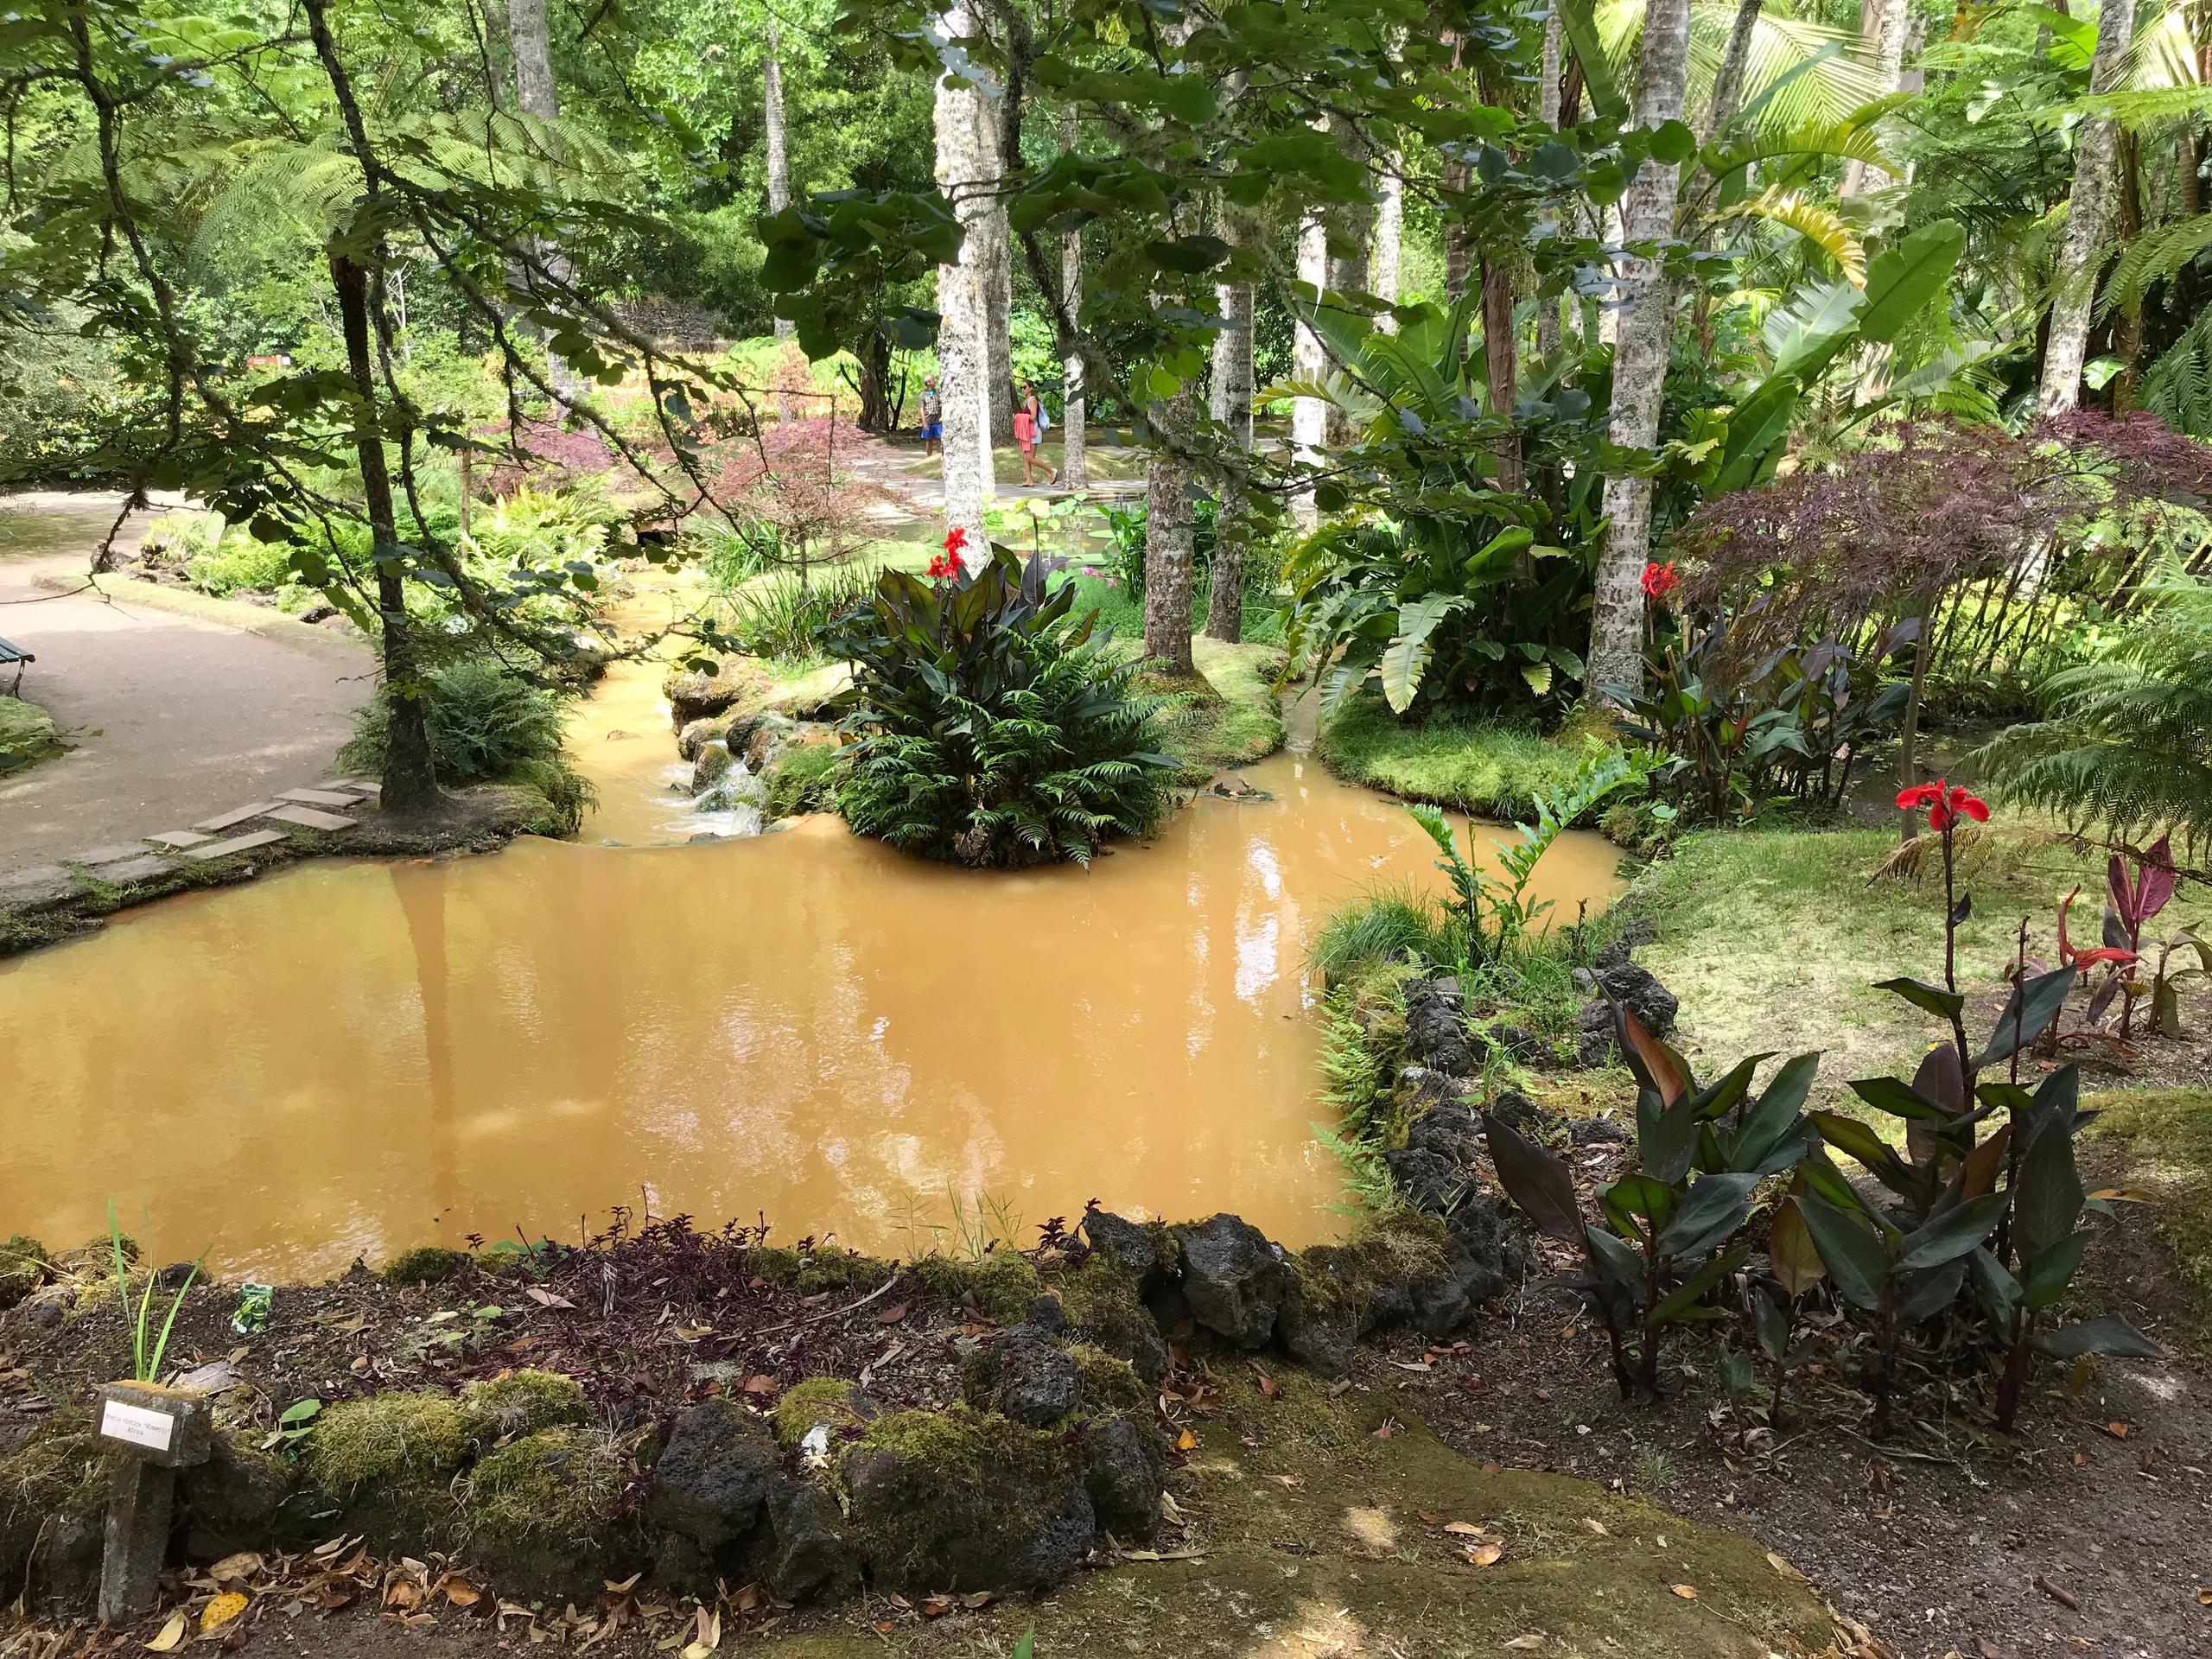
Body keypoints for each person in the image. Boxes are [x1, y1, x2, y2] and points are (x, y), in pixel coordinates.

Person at [1015, 379, 1058, 486]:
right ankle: (1029, 480)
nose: (1023, 389)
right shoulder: (1027, 401)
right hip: (1027, 432)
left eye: (1025, 387)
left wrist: (1018, 417)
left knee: (1030, 457)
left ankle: (1052, 471)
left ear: (1031, 388)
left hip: (1034, 432)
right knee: (1025, 456)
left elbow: (1033, 417)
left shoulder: (1032, 399)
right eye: (1022, 387)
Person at [918, 375, 943, 458]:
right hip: (928, 421)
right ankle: (929, 457)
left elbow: (942, 403)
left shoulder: (938, 392)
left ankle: (940, 456)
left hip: (938, 421)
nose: (934, 381)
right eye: (933, 380)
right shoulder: (922, 395)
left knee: (939, 439)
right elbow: (921, 409)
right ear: (928, 383)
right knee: (929, 441)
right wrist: (924, 423)